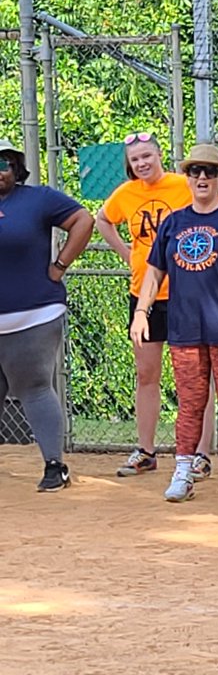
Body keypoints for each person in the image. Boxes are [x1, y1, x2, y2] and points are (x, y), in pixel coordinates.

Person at [132, 144, 218, 504]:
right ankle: (183, 471)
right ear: (187, 177)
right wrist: (141, 312)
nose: (201, 178)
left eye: (209, 172)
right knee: (191, 402)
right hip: (186, 328)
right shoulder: (175, 222)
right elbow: (154, 271)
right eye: (195, 171)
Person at [96, 132, 216, 480]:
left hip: (185, 292)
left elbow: (210, 213)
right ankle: (146, 451)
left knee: (194, 377)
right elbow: (103, 219)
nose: (142, 163)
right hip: (144, 295)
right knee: (146, 374)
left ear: (160, 155)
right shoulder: (127, 193)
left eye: (147, 156)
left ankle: (200, 453)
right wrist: (128, 254)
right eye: (136, 159)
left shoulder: (182, 185)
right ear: (130, 165)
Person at [0, 138, 94, 492]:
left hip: (34, 314)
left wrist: (59, 265)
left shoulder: (37, 199)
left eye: (3, 164)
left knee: (36, 386)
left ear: (15, 167)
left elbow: (83, 219)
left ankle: (55, 466)